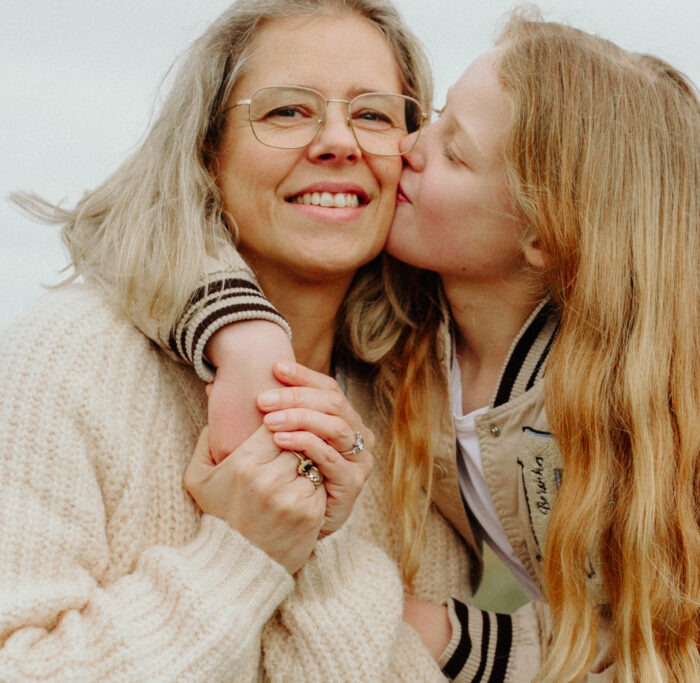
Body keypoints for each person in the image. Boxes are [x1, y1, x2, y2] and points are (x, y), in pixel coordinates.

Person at [150, 11, 700, 683]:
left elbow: (665, 640)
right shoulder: (411, 312)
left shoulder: (617, 404)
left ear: (539, 235)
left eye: (453, 153)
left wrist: (431, 628)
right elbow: (171, 223)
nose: (406, 146)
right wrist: (242, 334)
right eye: (431, 121)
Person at [0, 1, 471, 679]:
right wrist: (242, 554)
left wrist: (321, 550)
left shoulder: (418, 408)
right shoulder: (71, 357)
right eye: (287, 111)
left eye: (373, 114)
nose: (338, 141)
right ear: (207, 151)